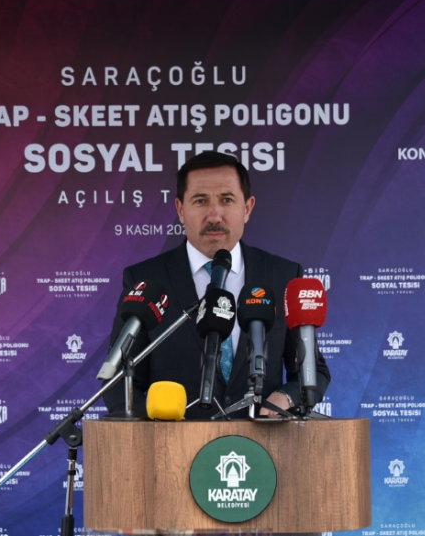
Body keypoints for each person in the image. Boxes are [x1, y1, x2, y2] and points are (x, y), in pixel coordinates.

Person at [102, 150, 330, 419]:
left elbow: (312, 371)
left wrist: (286, 397)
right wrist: (159, 428)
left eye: (227, 200)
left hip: (262, 443)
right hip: (172, 443)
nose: (214, 215)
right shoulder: (146, 279)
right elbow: (119, 382)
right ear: (180, 210)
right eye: (200, 201)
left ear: (247, 208)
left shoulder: (283, 276)